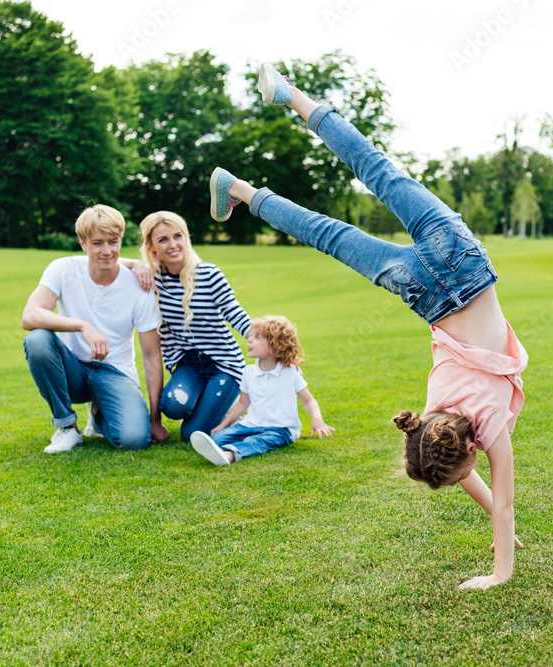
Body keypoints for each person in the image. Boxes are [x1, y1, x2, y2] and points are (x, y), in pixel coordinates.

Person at [207, 64, 528, 590]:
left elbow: (494, 492)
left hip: (462, 264)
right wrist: (498, 550)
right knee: (341, 215)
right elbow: (476, 480)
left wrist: (500, 554)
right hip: (424, 288)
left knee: (363, 189)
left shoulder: (475, 429)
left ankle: (269, 132)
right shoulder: (431, 418)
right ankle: (248, 174)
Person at [21, 204, 169, 454]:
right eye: (98, 243)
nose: (107, 250)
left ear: (121, 240)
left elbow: (152, 356)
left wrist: (155, 418)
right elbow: (30, 315)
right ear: (83, 243)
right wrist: (82, 326)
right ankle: (68, 427)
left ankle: (99, 414)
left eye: (113, 242)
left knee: (133, 439)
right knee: (37, 340)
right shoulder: (63, 268)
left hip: (115, 372)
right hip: (73, 370)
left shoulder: (140, 285)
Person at [138, 211, 253, 442]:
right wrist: (134, 264)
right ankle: (210, 407)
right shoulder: (152, 280)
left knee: (191, 435)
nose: (173, 245)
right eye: (163, 240)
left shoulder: (210, 274)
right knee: (172, 406)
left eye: (177, 236)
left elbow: (236, 314)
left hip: (223, 364)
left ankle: (233, 417)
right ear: (151, 246)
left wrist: (277, 350)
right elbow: (105, 260)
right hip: (188, 364)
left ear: (185, 237)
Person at [188, 315, 333, 466]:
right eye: (251, 335)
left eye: (257, 337)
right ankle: (220, 447)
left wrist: (317, 418)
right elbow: (242, 404)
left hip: (280, 429)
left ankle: (229, 455)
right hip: (250, 425)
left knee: (257, 441)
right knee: (218, 438)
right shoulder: (248, 372)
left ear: (275, 348)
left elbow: (309, 400)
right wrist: (222, 426)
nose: (249, 340)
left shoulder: (290, 373)